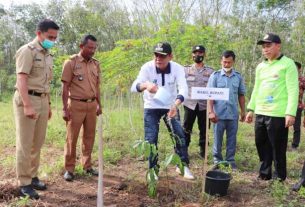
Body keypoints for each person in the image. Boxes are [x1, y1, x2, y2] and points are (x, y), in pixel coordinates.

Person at [131, 42, 194, 179]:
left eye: (162, 56)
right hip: (151, 107)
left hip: (171, 106)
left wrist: (175, 105)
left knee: (179, 135)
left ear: (170, 56)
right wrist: (145, 85)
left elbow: (184, 89)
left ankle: (182, 166)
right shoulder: (147, 67)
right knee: (151, 139)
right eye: (156, 55)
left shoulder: (177, 68)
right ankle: (153, 171)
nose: (158, 58)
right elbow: (134, 86)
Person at [13, 19, 59, 199]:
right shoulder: (27, 51)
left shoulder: (47, 54)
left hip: (42, 99)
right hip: (28, 98)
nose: (53, 40)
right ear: (38, 33)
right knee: (25, 143)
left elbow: (45, 82)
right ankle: (24, 183)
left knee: (37, 142)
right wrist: (27, 104)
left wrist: (47, 105)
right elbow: (21, 79)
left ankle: (32, 176)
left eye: (55, 38)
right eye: (50, 37)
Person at [245, 33, 298, 181]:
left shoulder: (288, 64)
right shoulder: (261, 66)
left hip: (278, 113)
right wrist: (251, 109)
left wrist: (290, 113)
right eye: (263, 46)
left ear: (278, 46)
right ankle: (264, 173)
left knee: (278, 147)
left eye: (268, 45)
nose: (265, 49)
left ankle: (279, 176)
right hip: (261, 111)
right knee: (261, 144)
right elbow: (256, 88)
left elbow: (293, 90)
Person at [61, 34, 102, 181]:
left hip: (91, 105)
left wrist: (99, 104)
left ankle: (87, 165)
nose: (92, 50)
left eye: (94, 48)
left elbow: (97, 86)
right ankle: (70, 169)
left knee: (89, 137)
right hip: (76, 105)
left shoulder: (95, 64)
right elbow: (65, 87)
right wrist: (65, 108)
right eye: (90, 47)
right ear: (81, 46)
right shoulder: (70, 63)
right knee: (72, 138)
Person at [207, 50, 246, 169]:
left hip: (233, 114)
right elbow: (210, 95)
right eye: (224, 62)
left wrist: (243, 111)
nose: (226, 65)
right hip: (218, 115)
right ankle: (217, 160)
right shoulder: (215, 76)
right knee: (217, 139)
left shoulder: (238, 77)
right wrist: (211, 112)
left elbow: (241, 95)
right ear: (221, 61)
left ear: (233, 62)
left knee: (232, 139)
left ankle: (230, 160)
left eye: (229, 62)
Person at [183, 45, 214, 158]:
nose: (198, 55)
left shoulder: (211, 71)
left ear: (204, 54)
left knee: (204, 129)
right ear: (192, 54)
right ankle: (184, 150)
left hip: (204, 105)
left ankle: (203, 151)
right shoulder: (185, 70)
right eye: (195, 52)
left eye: (200, 53)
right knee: (186, 128)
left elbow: (213, 89)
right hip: (189, 104)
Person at [291, 62, 305, 149]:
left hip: (297, 106)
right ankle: (281, 144)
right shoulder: (286, 78)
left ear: (299, 69)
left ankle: (295, 145)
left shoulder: (302, 80)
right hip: (284, 106)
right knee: (281, 126)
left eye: (295, 67)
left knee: (296, 126)